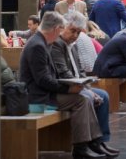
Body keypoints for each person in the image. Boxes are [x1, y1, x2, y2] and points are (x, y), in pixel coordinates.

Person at [20, 12, 109, 159]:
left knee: (83, 97)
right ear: (55, 28)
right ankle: (82, 147)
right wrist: (69, 88)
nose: (61, 34)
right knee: (81, 100)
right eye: (61, 29)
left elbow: (47, 78)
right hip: (38, 97)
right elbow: (43, 80)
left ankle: (91, 143)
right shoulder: (38, 46)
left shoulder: (41, 42)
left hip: (43, 92)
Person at [50, 12, 119, 156]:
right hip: (64, 88)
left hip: (76, 85)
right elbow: (63, 72)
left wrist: (88, 88)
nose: (75, 35)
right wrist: (85, 90)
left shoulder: (73, 45)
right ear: (62, 27)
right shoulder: (57, 44)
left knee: (103, 96)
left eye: (78, 32)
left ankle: (99, 141)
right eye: (72, 30)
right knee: (86, 98)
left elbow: (80, 71)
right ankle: (85, 145)